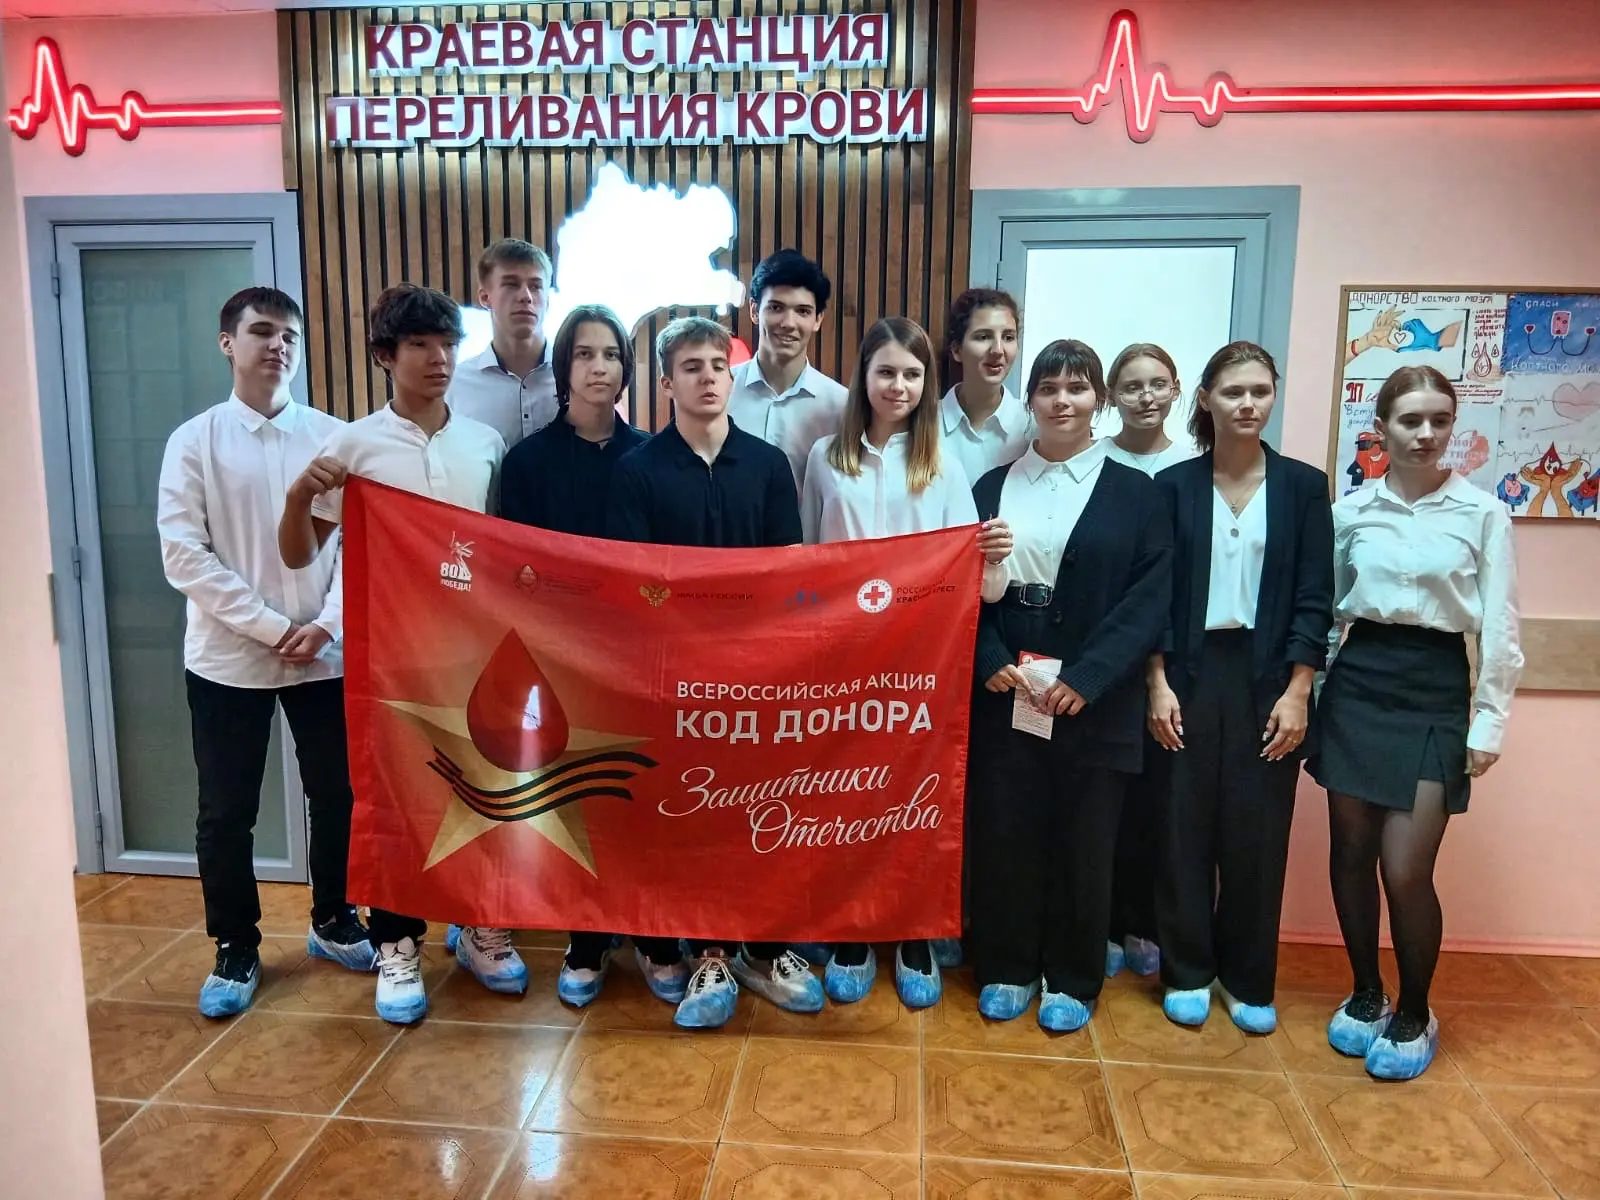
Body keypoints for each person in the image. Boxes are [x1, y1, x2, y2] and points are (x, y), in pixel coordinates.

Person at [278, 283, 523, 1025]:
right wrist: (297, 499)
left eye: (447, 343)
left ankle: (479, 927)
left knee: (481, 792)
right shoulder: (353, 447)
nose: (437, 358)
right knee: (393, 804)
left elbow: (502, 553)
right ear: (386, 355)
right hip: (388, 656)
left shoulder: (485, 443)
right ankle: (397, 942)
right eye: (419, 344)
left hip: (474, 653)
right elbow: (299, 556)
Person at [156, 287, 375, 1018]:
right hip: (228, 658)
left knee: (338, 794)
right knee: (226, 811)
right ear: (228, 343)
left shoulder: (334, 438)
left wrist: (327, 625)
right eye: (261, 332)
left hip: (324, 652)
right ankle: (235, 945)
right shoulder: (195, 441)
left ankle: (334, 918)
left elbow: (358, 548)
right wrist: (271, 628)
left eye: (289, 335)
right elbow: (184, 555)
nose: (277, 345)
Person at [607, 315, 824, 1029]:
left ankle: (766, 946)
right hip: (674, 682)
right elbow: (636, 587)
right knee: (692, 818)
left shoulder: (768, 465)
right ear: (666, 382)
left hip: (757, 677)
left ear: (733, 378)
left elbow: (789, 576)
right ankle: (708, 952)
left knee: (761, 813)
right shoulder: (636, 472)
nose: (707, 378)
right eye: (691, 367)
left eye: (717, 366)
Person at [1310, 365, 1522, 1081]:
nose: (1426, 434)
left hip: (1434, 689)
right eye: (1410, 420)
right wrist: (1311, 695)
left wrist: (1488, 722)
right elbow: (1329, 612)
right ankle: (1367, 992)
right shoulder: (1349, 512)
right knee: (1350, 852)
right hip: (1358, 685)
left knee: (1405, 867)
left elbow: (1501, 627)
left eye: (1439, 420)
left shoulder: (1483, 514)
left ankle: (1415, 1010)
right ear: (1381, 428)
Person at [799, 317, 1013, 1008]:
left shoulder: (944, 464)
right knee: (848, 795)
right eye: (886, 371)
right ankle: (855, 930)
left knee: (917, 795)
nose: (899, 386)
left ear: (928, 382)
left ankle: (916, 930)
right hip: (843, 658)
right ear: (864, 376)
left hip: (921, 663)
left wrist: (995, 559)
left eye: (913, 374)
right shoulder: (824, 458)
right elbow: (803, 562)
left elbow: (977, 583)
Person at [967, 339, 1173, 1032]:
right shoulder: (989, 487)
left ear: (1099, 400)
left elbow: (1148, 599)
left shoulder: (1137, 494)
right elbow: (958, 584)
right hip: (1008, 683)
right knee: (1008, 828)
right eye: (1049, 388)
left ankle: (1074, 977)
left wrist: (1089, 676)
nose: (1063, 401)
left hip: (1095, 691)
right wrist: (988, 656)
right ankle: (1007, 965)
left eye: (1078, 388)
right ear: (1030, 400)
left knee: (1086, 839)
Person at [1146, 342, 1334, 1034]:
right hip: (1187, 675)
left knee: (1257, 835)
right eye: (1233, 392)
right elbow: (1154, 597)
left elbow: (1315, 595)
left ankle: (1248, 978)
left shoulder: (1303, 487)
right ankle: (1187, 970)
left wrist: (1299, 689)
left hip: (1269, 679)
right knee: (1181, 828)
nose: (1248, 404)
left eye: (1260, 391)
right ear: (1205, 399)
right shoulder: (1172, 487)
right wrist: (1156, 682)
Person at [496, 304, 672, 1010]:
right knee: (581, 798)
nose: (600, 367)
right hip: (562, 658)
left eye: (612, 355)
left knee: (646, 798)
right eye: (584, 354)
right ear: (563, 367)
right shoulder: (528, 461)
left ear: (628, 369)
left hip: (642, 656)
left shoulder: (655, 455)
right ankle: (588, 938)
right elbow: (515, 569)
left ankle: (654, 935)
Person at [1099, 343, 1198, 981]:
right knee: (1104, 796)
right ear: (1111, 395)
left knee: (1161, 799)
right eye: (1132, 386)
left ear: (1178, 390)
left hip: (1174, 653)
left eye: (1158, 384)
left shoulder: (1192, 467)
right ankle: (1104, 922)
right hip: (1106, 654)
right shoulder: (1093, 460)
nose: (1146, 397)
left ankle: (1145, 922)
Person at [727, 248, 848, 493]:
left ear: (818, 319)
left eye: (803, 311)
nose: (788, 323)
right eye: (776, 308)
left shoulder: (841, 405)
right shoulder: (722, 389)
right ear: (754, 310)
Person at [446, 238, 558, 450]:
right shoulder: (456, 386)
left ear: (548, 300)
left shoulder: (576, 377)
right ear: (485, 297)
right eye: (511, 284)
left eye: (536, 286)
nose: (525, 296)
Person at [938, 288, 1030, 485]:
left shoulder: (1031, 425)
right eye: (983, 337)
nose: (998, 350)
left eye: (1008, 337)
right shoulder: (924, 422)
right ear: (956, 350)